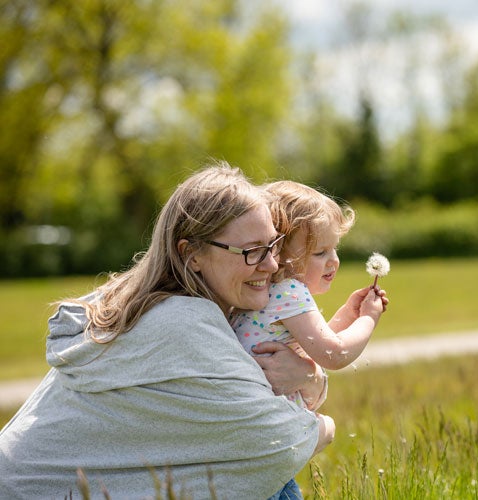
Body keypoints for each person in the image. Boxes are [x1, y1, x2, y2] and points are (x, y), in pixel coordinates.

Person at [0, 162, 338, 499]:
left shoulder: (154, 307)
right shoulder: (182, 325)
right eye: (251, 251)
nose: (272, 264)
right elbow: (280, 443)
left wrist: (310, 377)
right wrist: (327, 423)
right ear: (191, 254)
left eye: (274, 245)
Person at [233, 180, 388, 411]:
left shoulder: (261, 292)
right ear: (279, 252)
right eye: (320, 252)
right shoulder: (289, 291)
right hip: (275, 421)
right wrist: (369, 318)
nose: (333, 260)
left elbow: (313, 345)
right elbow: (334, 353)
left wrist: (348, 314)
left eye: (334, 248)